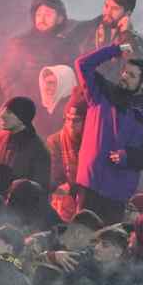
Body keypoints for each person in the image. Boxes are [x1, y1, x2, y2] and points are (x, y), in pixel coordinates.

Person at [74, 43, 143, 223]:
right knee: (80, 236)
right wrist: (115, 50)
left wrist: (128, 157)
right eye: (124, 72)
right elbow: (83, 64)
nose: (124, 77)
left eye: (131, 75)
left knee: (108, 243)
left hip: (117, 190)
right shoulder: (101, 93)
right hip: (90, 182)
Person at [0, 0, 77, 101]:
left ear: (60, 19)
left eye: (48, 15)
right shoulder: (20, 43)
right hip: (23, 106)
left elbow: (72, 80)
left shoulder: (68, 46)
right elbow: (6, 79)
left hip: (56, 108)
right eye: (38, 14)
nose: (42, 19)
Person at [72, 0, 143, 71]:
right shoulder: (83, 29)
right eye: (106, 6)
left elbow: (132, 65)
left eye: (115, 9)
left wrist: (126, 34)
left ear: (127, 13)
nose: (107, 12)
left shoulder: (133, 40)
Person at [47, 89, 87, 221]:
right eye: (67, 119)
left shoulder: (92, 142)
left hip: (88, 199)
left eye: (76, 121)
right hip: (64, 202)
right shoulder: (55, 140)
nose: (70, 125)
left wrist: (73, 186)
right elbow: (55, 175)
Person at [0, 96, 51, 186]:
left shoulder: (38, 150)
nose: (1, 115)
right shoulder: (1, 138)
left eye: (8, 112)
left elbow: (39, 188)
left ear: (21, 117)